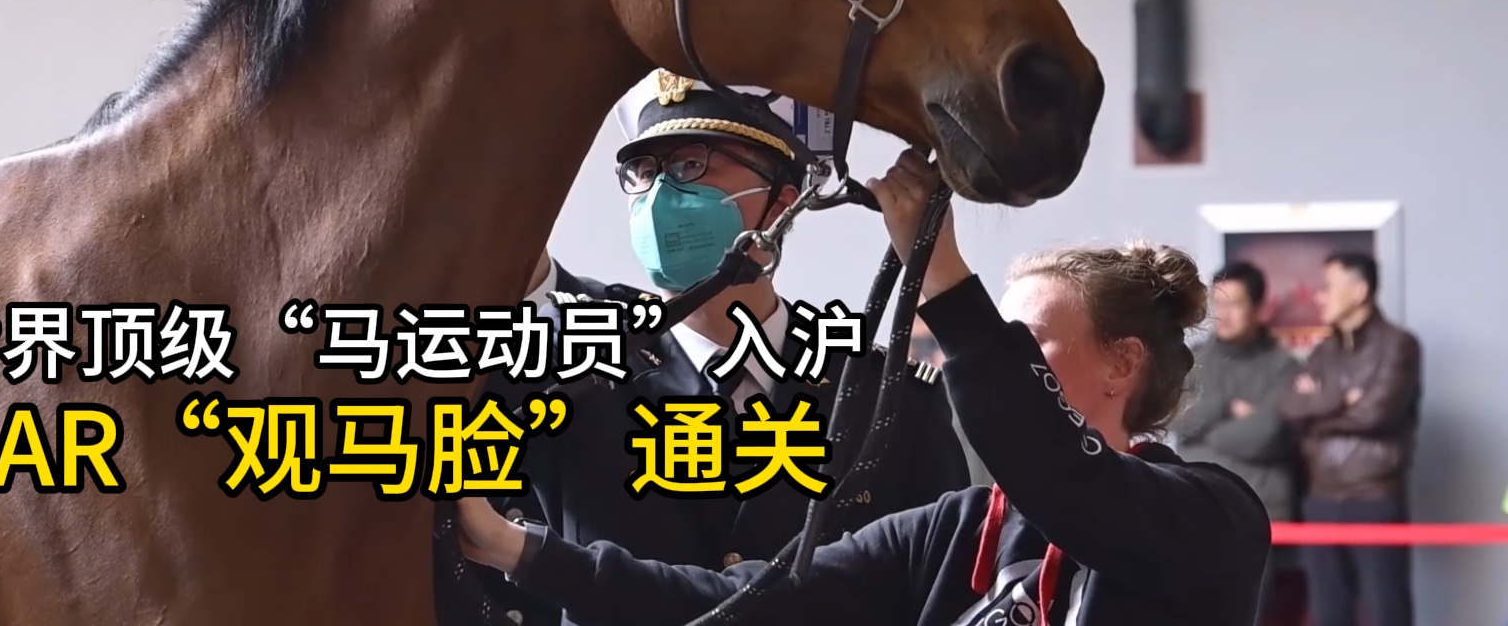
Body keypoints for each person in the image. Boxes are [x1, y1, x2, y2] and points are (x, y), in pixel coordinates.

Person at [457, 151, 1272, 625]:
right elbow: (741, 604)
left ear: (1122, 364)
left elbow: (1061, 475)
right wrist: (517, 548)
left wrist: (943, 279)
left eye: (1023, 341)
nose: (992, 360)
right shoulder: (955, 531)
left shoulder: (1211, 517)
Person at [460, 73, 970, 626]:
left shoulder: (887, 399)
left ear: (779, 204)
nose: (660, 194)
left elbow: (945, 590)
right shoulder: (569, 362)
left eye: (691, 165)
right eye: (644, 172)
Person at [1277, 251, 1422, 626]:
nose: (1319, 296)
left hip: (1374, 497)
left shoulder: (1398, 345)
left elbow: (1375, 414)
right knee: (1328, 614)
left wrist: (1317, 408)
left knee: (1386, 611)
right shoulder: (1323, 351)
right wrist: (1342, 399)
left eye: (1328, 287)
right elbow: (1290, 407)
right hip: (1320, 497)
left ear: (1359, 291)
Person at [1174, 260, 1300, 625]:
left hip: (1259, 510)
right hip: (1195, 506)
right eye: (1218, 304)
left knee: (1249, 615)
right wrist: (1228, 408)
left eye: (1235, 304)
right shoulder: (1192, 360)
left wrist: (1208, 431)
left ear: (1259, 308)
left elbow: (1270, 434)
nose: (1223, 314)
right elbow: (1176, 418)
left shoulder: (1284, 366)